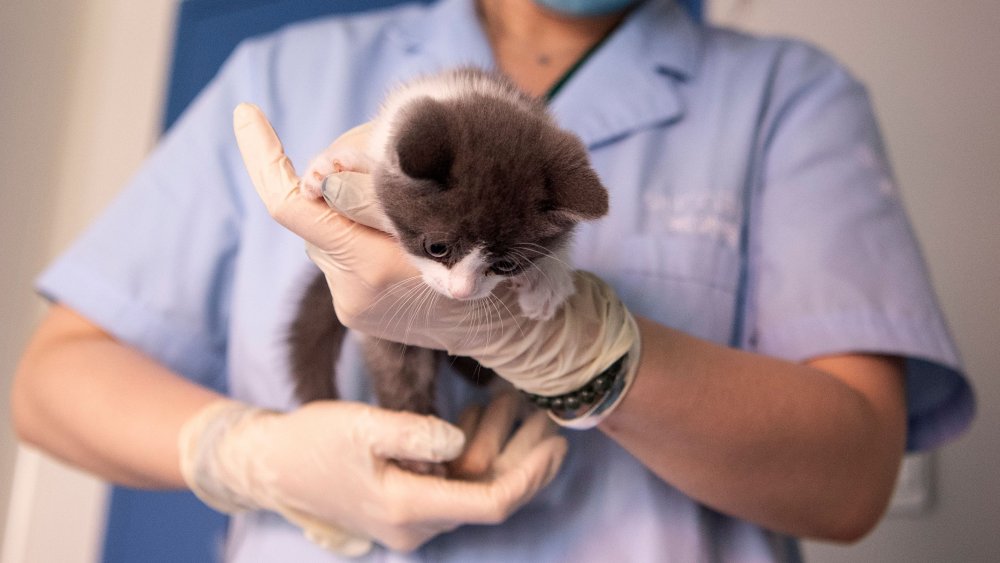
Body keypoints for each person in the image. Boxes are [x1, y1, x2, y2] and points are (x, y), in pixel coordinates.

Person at [11, 0, 975, 561]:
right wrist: (248, 453)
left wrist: (588, 350)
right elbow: (51, 385)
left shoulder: (784, 99)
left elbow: (851, 478)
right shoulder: (288, 73)